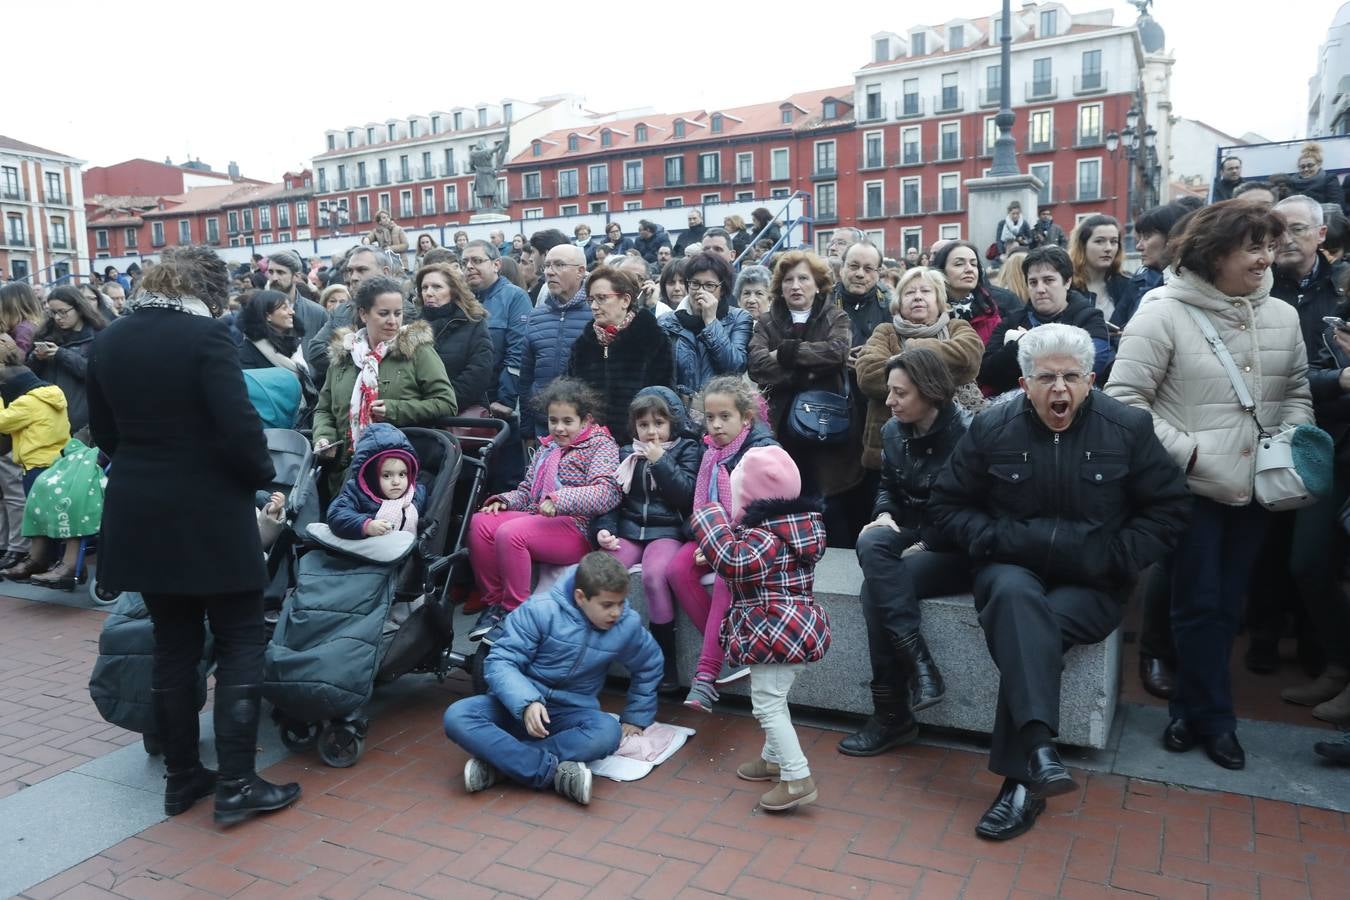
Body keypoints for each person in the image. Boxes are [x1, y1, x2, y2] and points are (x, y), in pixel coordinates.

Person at [932, 323, 1189, 841]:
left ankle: (1029, 763)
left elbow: (1170, 509)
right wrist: (996, 538)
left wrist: (1116, 557)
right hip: (1009, 570)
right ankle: (1030, 771)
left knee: (1031, 629)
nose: (1060, 389)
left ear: (1091, 380)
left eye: (1072, 377)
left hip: (1094, 584)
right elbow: (946, 506)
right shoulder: (992, 427)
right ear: (1024, 383)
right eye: (1046, 377)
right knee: (1011, 595)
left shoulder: (1128, 428)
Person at [85, 247, 301, 824]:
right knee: (239, 638)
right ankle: (236, 784)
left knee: (174, 643)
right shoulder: (207, 337)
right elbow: (239, 429)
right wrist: (260, 477)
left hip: (139, 506)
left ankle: (182, 779)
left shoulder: (110, 338)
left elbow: (104, 431)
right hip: (207, 508)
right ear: (207, 289)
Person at [1106, 200, 1313, 771]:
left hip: (1257, 488)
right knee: (1198, 603)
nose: (1267, 257)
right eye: (1254, 246)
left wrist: (1293, 439)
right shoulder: (1161, 311)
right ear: (1215, 251)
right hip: (1189, 488)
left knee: (1226, 606)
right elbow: (1125, 403)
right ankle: (1213, 719)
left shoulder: (1283, 315)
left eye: (1270, 246)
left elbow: (1296, 389)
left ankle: (1192, 712)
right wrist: (1193, 452)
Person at [443, 552, 663, 806]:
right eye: (607, 605)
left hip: (569, 715)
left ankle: (503, 766)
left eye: (621, 603)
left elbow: (650, 664)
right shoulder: (539, 610)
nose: (616, 613)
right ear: (581, 597)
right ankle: (551, 773)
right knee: (457, 716)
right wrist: (526, 702)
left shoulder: (626, 625)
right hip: (513, 708)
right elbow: (500, 661)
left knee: (608, 732)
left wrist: (637, 715)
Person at [842, 348, 971, 756]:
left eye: (900, 393)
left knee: (873, 592)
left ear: (930, 392)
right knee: (870, 539)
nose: (890, 401)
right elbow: (888, 488)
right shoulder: (894, 431)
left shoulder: (967, 435)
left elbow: (970, 509)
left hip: (956, 547)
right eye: (890, 392)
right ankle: (919, 664)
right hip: (912, 531)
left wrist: (926, 543)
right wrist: (882, 515)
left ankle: (891, 715)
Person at [692, 444, 830, 812]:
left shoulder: (768, 534)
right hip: (788, 630)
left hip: (775, 630)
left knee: (767, 704)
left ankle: (797, 776)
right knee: (774, 696)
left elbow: (736, 562)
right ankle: (773, 760)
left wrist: (710, 519)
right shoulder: (790, 528)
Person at [1265, 196, 1350, 720]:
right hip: (1283, 442)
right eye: (1278, 231)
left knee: (1316, 563)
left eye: (1297, 229)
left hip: (1338, 443)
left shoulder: (1343, 287)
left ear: (1322, 235)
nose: (1285, 239)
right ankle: (1333, 665)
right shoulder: (1256, 286)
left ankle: (1336, 668)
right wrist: (1335, 379)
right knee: (1299, 563)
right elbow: (1277, 375)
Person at [466, 378, 621, 642]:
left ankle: (515, 611)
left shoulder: (601, 444)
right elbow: (526, 491)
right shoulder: (547, 447)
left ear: (585, 420)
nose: (559, 428)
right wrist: (504, 500)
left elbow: (607, 493)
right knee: (480, 522)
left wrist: (560, 499)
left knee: (510, 533)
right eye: (553, 420)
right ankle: (495, 604)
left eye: (567, 421)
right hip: (538, 519)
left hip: (576, 528)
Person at [670, 376, 777, 711]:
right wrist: (707, 539)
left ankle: (705, 677)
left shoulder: (761, 451)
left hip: (750, 542)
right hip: (712, 536)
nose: (715, 425)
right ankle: (731, 646)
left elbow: (762, 514)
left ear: (746, 418)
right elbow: (700, 509)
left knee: (723, 579)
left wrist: (720, 544)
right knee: (676, 570)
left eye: (724, 417)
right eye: (709, 417)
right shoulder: (709, 453)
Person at [591, 388, 701, 697]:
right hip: (629, 529)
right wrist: (605, 529)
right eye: (644, 425)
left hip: (666, 530)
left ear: (671, 424)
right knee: (601, 573)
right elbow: (612, 499)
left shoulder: (686, 449)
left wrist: (661, 462)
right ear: (634, 427)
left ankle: (664, 661)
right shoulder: (627, 452)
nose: (651, 431)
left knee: (654, 576)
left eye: (658, 423)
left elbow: (685, 495)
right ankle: (593, 654)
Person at [311, 275, 456, 499]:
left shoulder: (416, 350)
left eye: (397, 313)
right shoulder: (344, 355)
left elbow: (446, 403)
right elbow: (324, 409)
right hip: (344, 476)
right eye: (383, 313)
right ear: (363, 314)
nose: (393, 321)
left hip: (398, 476)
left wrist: (394, 409)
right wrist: (324, 437)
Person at [747, 250, 853, 542]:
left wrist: (785, 352)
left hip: (825, 422)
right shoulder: (767, 321)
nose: (795, 286)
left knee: (830, 500)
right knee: (788, 495)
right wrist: (805, 372)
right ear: (780, 287)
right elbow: (756, 365)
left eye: (803, 278)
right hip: (782, 425)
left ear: (818, 284)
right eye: (788, 280)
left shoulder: (835, 316)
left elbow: (837, 352)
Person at [855, 266, 984, 474]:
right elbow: (869, 376)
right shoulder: (885, 332)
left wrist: (913, 350)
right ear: (899, 303)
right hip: (893, 447)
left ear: (939, 300)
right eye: (909, 292)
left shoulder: (956, 327)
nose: (917, 297)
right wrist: (937, 367)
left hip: (954, 443)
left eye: (925, 291)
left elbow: (969, 359)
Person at [565, 266, 675, 447]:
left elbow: (662, 398)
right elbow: (572, 399)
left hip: (638, 445)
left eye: (601, 298)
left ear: (625, 300)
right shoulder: (582, 345)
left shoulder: (652, 339)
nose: (593, 306)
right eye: (590, 299)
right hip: (590, 447)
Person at [980, 246, 1112, 395]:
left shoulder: (1090, 318)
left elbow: (1093, 363)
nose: (1040, 289)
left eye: (1048, 280)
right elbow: (986, 372)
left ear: (1067, 282)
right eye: (1033, 282)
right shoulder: (1011, 321)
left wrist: (1028, 342)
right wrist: (1016, 347)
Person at [461, 239, 533, 489]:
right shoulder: (462, 300)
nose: (469, 266)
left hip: (499, 405)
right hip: (466, 405)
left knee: (504, 482)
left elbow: (518, 350)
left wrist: (505, 399)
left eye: (477, 260)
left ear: (496, 264)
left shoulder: (514, 297)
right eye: (465, 262)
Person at [0, 332, 71, 582]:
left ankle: (47, 560)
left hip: (36, 465)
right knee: (47, 513)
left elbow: (1, 422)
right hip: (56, 462)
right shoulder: (51, 393)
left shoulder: (26, 404)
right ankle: (46, 560)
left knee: (40, 514)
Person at [518, 245, 592, 440]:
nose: (550, 271)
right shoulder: (536, 316)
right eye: (548, 265)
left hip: (587, 426)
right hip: (544, 425)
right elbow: (526, 378)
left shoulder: (597, 313)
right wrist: (526, 428)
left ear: (580, 272)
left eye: (559, 265)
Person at [660, 253, 752, 406]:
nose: (700, 291)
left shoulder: (739, 318)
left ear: (722, 289)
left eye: (709, 286)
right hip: (679, 411)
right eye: (695, 284)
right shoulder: (666, 322)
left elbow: (735, 367)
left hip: (722, 410)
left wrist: (711, 322)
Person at [414, 262, 494, 414]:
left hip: (459, 416)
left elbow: (478, 373)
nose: (429, 293)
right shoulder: (411, 328)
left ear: (453, 291)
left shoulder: (473, 323)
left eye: (437, 287)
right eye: (424, 287)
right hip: (419, 415)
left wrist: (441, 404)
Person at [326, 423, 427, 539]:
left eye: (402, 474)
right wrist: (366, 526)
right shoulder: (356, 493)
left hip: (405, 552)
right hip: (367, 552)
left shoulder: (416, 493)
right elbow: (336, 515)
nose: (396, 482)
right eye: (387, 476)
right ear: (371, 477)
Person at [28, 286, 105, 434]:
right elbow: (30, 375)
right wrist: (36, 358)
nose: (57, 318)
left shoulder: (98, 335)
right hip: (48, 419)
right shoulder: (45, 334)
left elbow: (94, 372)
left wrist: (60, 354)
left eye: (62, 312)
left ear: (79, 308)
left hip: (82, 420)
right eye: (53, 313)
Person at [235, 289, 315, 423]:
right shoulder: (245, 354)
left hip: (304, 422)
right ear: (267, 316)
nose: (292, 312)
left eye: (290, 306)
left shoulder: (294, 347)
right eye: (285, 308)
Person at [1070, 215, 1140, 338]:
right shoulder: (1066, 286)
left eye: (1113, 241)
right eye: (1099, 241)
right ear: (1082, 245)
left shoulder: (1129, 285)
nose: (1108, 248)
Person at [931, 241, 1011, 343]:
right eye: (959, 264)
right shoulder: (927, 313)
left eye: (974, 264)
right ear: (941, 271)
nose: (970, 269)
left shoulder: (991, 312)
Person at [266, 251, 329, 365]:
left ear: (296, 276)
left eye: (280, 272)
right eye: (271, 272)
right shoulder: (257, 311)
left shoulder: (318, 313)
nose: (274, 277)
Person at [1132, 204, 1189, 299]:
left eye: (1147, 236)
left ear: (1173, 238)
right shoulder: (1138, 282)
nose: (1138, 246)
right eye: (1140, 238)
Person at [1288, 141, 1345, 208]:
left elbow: (1336, 206)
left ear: (1319, 165)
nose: (1306, 169)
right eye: (1302, 167)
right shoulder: (1292, 182)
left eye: (1310, 165)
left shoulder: (1329, 179)